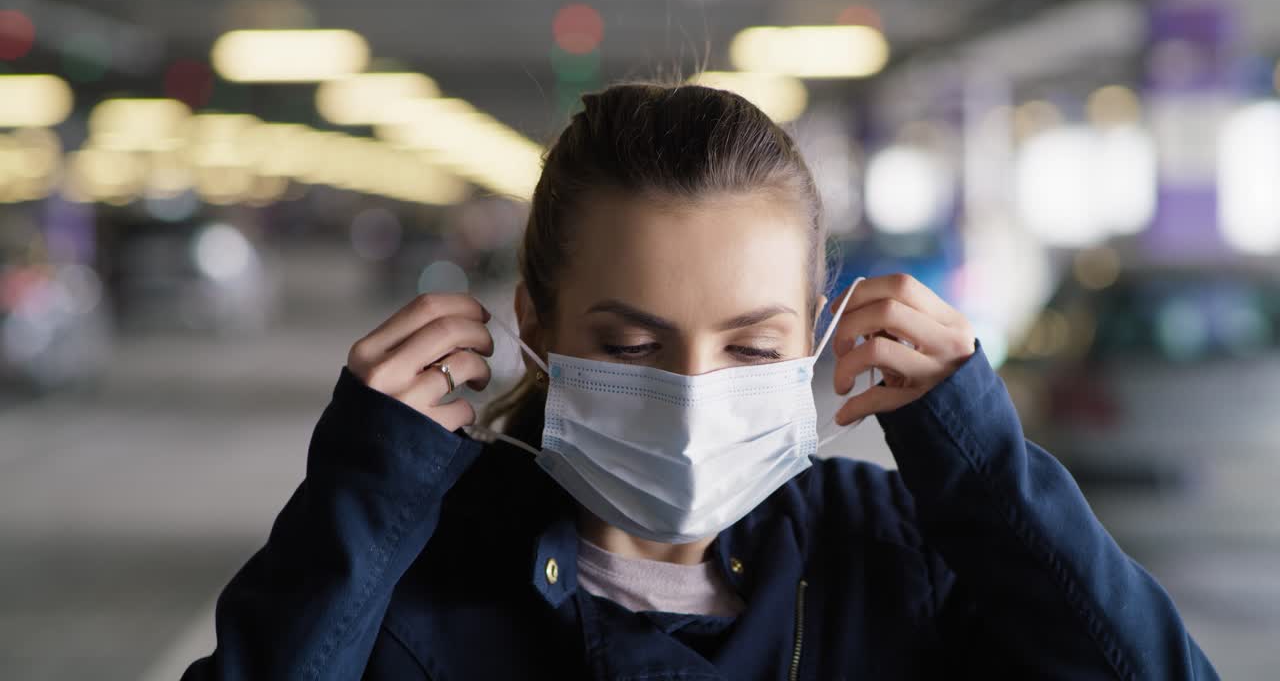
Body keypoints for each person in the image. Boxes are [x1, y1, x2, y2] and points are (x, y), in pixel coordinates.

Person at [182, 83, 1217, 680]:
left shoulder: (893, 555)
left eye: (750, 347)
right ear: (534, 325)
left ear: (815, 333)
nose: (690, 390)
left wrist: (980, 470)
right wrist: (359, 503)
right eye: (633, 347)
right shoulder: (415, 573)